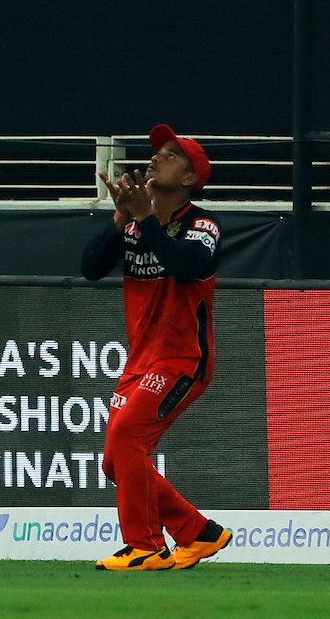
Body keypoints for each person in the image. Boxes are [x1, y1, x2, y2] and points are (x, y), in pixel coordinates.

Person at [82, 124, 231, 571]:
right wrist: (119, 220)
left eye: (168, 155)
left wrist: (145, 220)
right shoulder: (135, 226)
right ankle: (197, 532)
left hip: (184, 359)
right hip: (141, 360)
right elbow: (90, 268)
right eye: (155, 153)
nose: (154, 159)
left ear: (189, 179)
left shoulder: (203, 224)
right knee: (116, 462)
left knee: (128, 439)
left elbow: (186, 268)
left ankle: (146, 545)